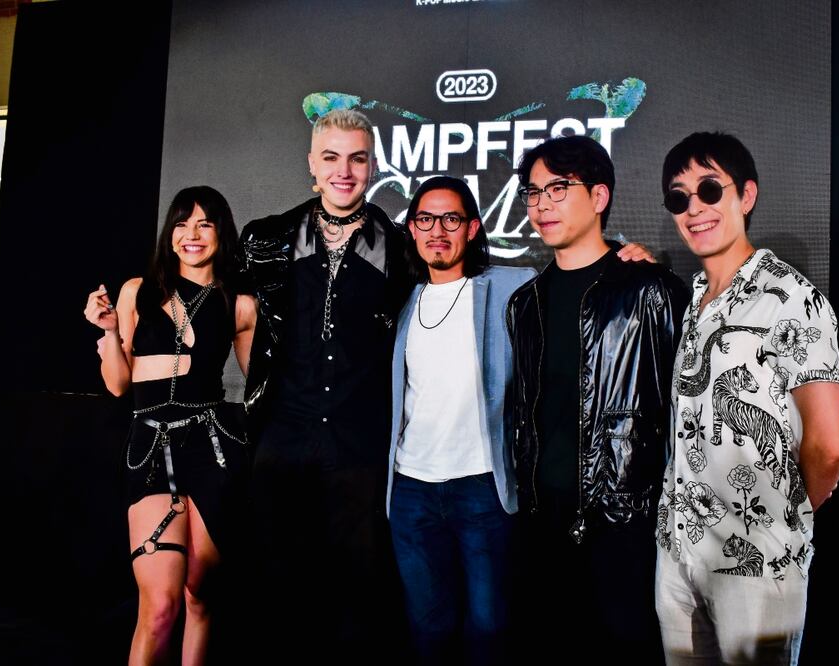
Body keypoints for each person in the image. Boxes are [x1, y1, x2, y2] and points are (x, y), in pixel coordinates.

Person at [654, 131, 839, 665]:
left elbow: (832, 442)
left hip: (758, 563)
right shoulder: (694, 300)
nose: (694, 208)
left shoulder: (791, 298)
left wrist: (781, 518)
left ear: (746, 195)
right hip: (678, 555)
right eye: (679, 197)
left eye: (709, 190)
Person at [507, 135, 688, 662]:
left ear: (599, 196)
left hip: (623, 521)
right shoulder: (524, 303)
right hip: (542, 518)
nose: (542, 204)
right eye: (533, 192)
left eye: (558, 188)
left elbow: (684, 413)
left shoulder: (651, 290)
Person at [238, 109, 410, 655]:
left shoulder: (400, 247)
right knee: (280, 592)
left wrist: (618, 254)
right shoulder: (265, 239)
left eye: (357, 158)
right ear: (312, 164)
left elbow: (469, 272)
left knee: (357, 600)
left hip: (360, 447)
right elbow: (232, 316)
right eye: (331, 158)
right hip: (282, 443)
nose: (344, 171)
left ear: (372, 166)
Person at [83, 185, 257, 665]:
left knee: (200, 594)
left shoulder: (240, 304)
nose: (192, 235)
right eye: (182, 224)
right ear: (169, 233)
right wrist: (109, 332)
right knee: (159, 606)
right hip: (150, 448)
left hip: (213, 449)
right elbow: (118, 384)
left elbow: (259, 386)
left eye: (204, 224)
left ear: (221, 232)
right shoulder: (137, 292)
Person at [386, 176, 536, 665]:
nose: (437, 230)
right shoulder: (399, 302)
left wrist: (627, 256)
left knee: (489, 627)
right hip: (411, 489)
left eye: (450, 219)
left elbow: (576, 271)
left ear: (471, 228)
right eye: (426, 219)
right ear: (412, 229)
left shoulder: (511, 286)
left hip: (482, 487)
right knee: (427, 627)